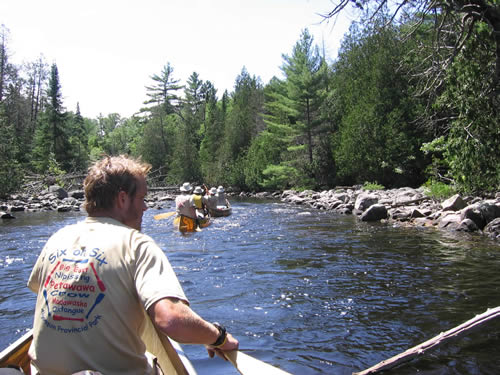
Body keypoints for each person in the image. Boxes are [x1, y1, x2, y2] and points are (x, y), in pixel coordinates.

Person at [27, 155, 238, 375]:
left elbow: (50, 293)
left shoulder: (57, 239)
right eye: (142, 198)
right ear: (122, 199)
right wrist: (219, 337)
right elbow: (172, 320)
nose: (146, 207)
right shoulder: (137, 244)